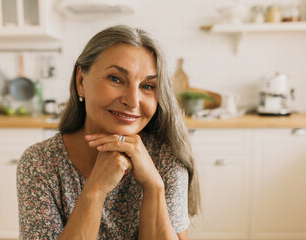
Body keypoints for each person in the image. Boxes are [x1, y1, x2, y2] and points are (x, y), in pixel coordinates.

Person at [17, 25, 200, 240]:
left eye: (148, 86)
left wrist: (153, 186)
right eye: (115, 79)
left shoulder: (166, 159)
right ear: (81, 81)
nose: (132, 101)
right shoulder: (40, 163)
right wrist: (95, 190)